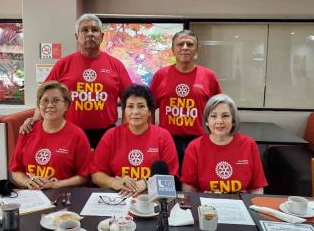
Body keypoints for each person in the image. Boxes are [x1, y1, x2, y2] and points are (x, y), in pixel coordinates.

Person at [20, 13, 132, 148]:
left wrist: (127, 128)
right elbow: (44, 95)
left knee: (102, 170)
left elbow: (130, 99)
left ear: (101, 37)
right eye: (84, 30)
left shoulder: (116, 65)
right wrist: (36, 119)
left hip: (105, 134)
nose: (90, 34)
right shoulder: (63, 64)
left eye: (94, 30)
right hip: (68, 132)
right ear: (76, 37)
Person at [149, 30, 222, 174]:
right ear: (173, 49)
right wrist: (151, 134)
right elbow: (149, 108)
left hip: (199, 141)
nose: (185, 47)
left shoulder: (209, 76)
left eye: (190, 44)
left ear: (196, 49)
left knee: (195, 181)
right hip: (167, 141)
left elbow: (218, 109)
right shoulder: (160, 75)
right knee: (170, 181)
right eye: (180, 44)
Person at [91, 84, 179, 196]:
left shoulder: (164, 136)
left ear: (149, 111)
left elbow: (172, 177)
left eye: (141, 106)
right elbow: (96, 174)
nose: (135, 112)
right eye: (130, 106)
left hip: (151, 197)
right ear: (124, 111)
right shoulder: (111, 135)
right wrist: (112, 182)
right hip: (119, 196)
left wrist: (147, 183)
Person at [9, 81, 91, 189]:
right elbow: (16, 170)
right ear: (39, 105)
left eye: (56, 100)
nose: (50, 105)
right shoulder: (27, 131)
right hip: (31, 194)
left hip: (63, 194)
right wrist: (28, 182)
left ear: (66, 105)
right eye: (45, 101)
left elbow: (84, 176)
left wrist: (54, 185)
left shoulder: (77, 135)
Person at [181, 94, 268, 194]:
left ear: (233, 120)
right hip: (206, 207)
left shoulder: (249, 145)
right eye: (213, 116)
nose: (219, 121)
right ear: (206, 121)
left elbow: (257, 188)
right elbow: (188, 187)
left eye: (225, 116)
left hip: (241, 206)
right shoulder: (194, 147)